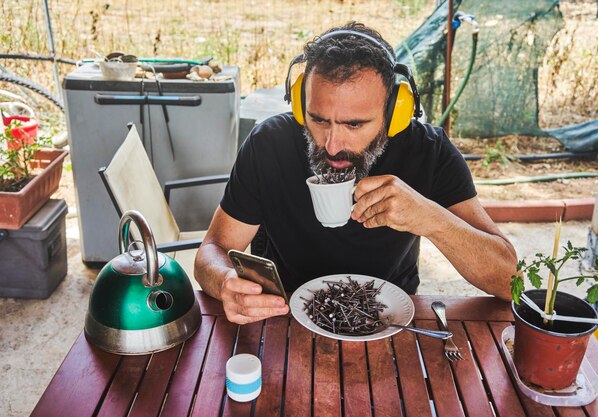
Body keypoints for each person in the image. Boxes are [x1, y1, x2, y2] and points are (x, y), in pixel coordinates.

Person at [194, 22, 518, 324]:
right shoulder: (268, 144)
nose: (333, 146)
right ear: (299, 103)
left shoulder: (429, 151)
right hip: (285, 316)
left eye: (354, 124)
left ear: (394, 114)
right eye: (319, 120)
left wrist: (430, 218)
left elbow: (509, 280)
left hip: (389, 320)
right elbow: (211, 251)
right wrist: (225, 282)